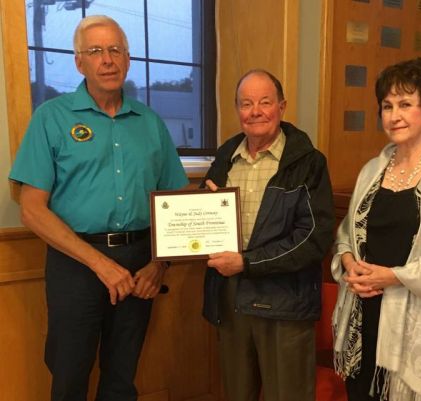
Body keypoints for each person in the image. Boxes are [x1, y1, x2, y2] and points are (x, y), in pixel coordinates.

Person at [8, 15, 188, 401]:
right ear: (79, 63)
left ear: (127, 59)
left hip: (140, 263)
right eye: (95, 51)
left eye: (115, 50)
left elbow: (178, 206)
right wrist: (100, 264)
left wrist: (159, 265)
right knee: (69, 374)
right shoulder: (51, 119)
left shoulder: (151, 123)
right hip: (74, 262)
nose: (107, 60)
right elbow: (32, 209)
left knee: (122, 378)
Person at [331, 57, 421, 401]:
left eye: (405, 104)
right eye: (387, 105)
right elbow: (346, 235)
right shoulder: (372, 169)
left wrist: (394, 276)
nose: (393, 115)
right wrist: (350, 260)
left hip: (417, 322)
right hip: (364, 313)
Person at [202, 69, 335, 401]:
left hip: (285, 303)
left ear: (282, 106)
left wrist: (247, 263)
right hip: (230, 298)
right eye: (246, 103)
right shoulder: (224, 158)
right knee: (237, 394)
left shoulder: (308, 162)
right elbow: (207, 220)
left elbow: (313, 238)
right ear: (237, 110)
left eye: (265, 102)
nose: (255, 111)